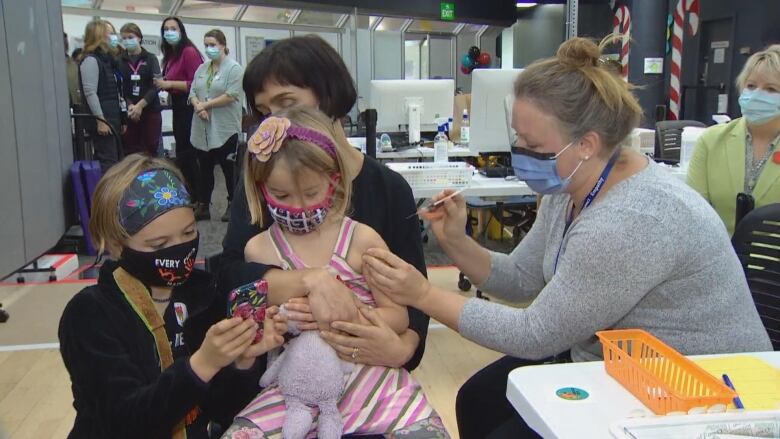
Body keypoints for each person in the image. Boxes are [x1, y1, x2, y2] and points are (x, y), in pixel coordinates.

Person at [361, 37, 773, 439]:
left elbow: (534, 334)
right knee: (478, 400)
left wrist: (423, 294)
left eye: (533, 144)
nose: (520, 152)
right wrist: (454, 240)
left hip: (701, 394)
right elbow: (522, 277)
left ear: (587, 144)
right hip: (618, 365)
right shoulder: (574, 183)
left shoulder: (631, 220)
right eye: (517, 137)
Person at [220, 106, 446, 438]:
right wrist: (276, 325)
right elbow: (258, 334)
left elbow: (398, 316)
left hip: (373, 379)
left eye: (311, 193)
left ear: (334, 180)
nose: (298, 207)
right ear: (260, 188)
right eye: (282, 195)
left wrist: (344, 315)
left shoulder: (362, 240)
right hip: (294, 389)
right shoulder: (259, 250)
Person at [221, 35, 430, 378]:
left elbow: (414, 296)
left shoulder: (388, 189)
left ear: (328, 94)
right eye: (262, 112)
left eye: (286, 102)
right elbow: (231, 277)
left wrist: (404, 346)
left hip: (370, 371)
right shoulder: (265, 181)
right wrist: (312, 282)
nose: (274, 121)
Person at [58, 154, 287, 439]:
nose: (179, 249)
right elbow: (123, 421)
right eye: (159, 244)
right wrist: (203, 364)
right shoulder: (90, 314)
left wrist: (242, 361)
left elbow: (224, 409)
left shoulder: (204, 294)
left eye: (189, 232)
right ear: (116, 245)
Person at [687, 44, 780, 235]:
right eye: (751, 86)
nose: (757, 95)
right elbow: (692, 212)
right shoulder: (712, 140)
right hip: (717, 255)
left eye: (771, 89)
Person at [189, 29, 243, 222]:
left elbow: (231, 95)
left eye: (212, 44)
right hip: (202, 127)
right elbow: (193, 91)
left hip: (224, 128)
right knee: (204, 169)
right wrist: (198, 106)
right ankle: (204, 205)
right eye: (206, 45)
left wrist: (207, 105)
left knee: (229, 170)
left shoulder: (234, 68)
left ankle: (232, 205)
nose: (209, 49)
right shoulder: (202, 69)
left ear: (222, 45)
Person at [155, 17, 203, 213]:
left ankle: (199, 199)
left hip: (189, 106)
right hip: (177, 107)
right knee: (182, 153)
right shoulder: (170, 56)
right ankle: (189, 195)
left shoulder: (189, 52)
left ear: (181, 31)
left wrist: (170, 84)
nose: (169, 32)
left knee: (189, 154)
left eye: (173, 28)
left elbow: (196, 84)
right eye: (166, 29)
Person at [78, 19, 125, 170]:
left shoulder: (108, 61)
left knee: (115, 160)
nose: (114, 37)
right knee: (108, 162)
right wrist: (100, 120)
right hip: (103, 119)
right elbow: (90, 92)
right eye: (110, 34)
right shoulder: (91, 60)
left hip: (112, 117)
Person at [117, 23, 162, 156]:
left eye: (130, 37)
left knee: (150, 149)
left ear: (139, 38)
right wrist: (131, 105)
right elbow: (120, 87)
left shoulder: (151, 58)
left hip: (150, 109)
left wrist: (140, 106)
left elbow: (156, 85)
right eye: (124, 38)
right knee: (131, 150)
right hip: (130, 112)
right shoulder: (119, 61)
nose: (127, 41)